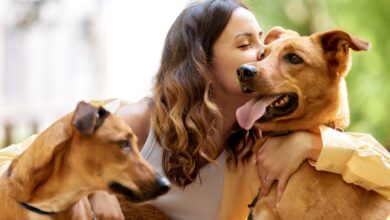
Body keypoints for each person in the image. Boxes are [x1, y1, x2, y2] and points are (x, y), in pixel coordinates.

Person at [1, 0, 389, 219]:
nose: (259, 58)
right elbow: (19, 170)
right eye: (246, 45)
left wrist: (312, 147)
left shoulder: (261, 141)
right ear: (202, 61)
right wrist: (86, 189)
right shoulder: (138, 120)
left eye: (262, 44)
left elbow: (381, 177)